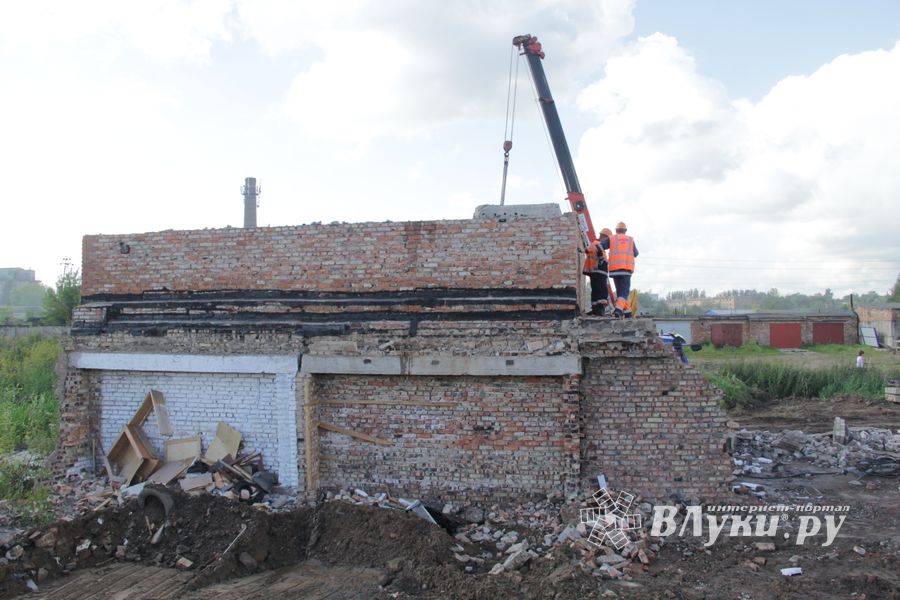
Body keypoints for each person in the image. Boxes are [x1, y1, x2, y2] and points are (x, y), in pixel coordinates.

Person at [598, 221, 638, 317]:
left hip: (614, 271)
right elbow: (636, 254)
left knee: (621, 293)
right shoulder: (630, 240)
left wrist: (600, 256)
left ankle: (628, 313)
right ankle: (618, 310)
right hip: (626, 270)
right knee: (624, 293)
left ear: (616, 230)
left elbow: (600, 246)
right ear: (625, 231)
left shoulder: (612, 238)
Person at [583, 228, 613, 316]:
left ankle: (595, 310)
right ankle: (600, 310)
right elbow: (601, 259)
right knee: (601, 291)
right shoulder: (599, 245)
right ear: (605, 237)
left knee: (595, 291)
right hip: (599, 271)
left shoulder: (594, 244)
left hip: (594, 271)